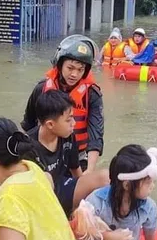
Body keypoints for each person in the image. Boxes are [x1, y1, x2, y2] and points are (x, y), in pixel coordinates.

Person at [21, 35, 104, 173]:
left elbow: (96, 135)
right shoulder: (41, 89)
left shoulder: (92, 95)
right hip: (43, 155)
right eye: (70, 68)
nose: (74, 74)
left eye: (80, 70)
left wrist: (89, 171)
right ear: (60, 65)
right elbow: (28, 125)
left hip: (78, 156)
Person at [27, 90, 109, 217]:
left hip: (65, 187)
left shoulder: (68, 137)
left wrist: (84, 196)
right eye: (68, 120)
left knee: (105, 177)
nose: (74, 124)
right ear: (50, 124)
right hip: (43, 199)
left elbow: (76, 170)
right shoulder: (28, 147)